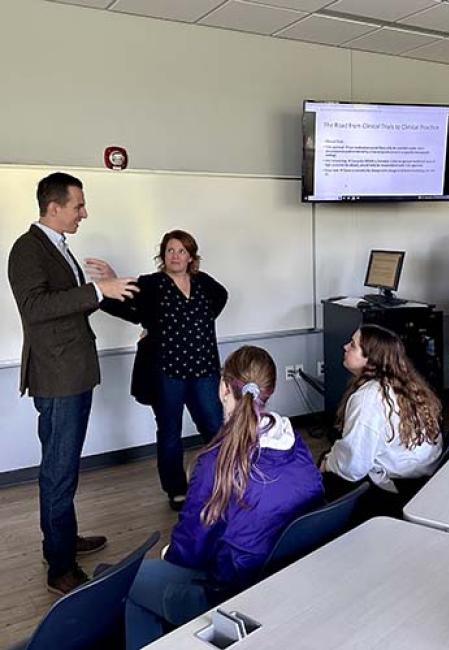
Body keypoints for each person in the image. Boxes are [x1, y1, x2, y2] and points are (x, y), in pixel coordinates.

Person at [124, 345, 324, 649]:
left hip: (230, 596)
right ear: (269, 391)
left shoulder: (215, 462)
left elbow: (189, 552)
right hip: (283, 580)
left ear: (222, 388)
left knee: (127, 582)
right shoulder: (294, 442)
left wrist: (169, 556)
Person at [7, 172, 139, 595]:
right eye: (79, 205)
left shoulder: (58, 247)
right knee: (59, 471)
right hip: (58, 377)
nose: (85, 213)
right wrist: (96, 291)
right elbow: (35, 307)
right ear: (54, 207)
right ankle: (60, 566)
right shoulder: (27, 249)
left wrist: (104, 289)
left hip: (73, 372)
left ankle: (62, 540)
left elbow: (65, 303)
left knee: (65, 467)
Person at [94, 230, 228, 510]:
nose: (175, 256)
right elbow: (126, 304)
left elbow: (221, 298)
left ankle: (223, 480)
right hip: (167, 373)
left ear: (191, 256)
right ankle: (176, 490)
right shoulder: (152, 284)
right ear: (163, 255)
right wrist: (109, 280)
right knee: (169, 432)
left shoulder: (204, 283)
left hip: (204, 369)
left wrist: (196, 326)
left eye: (181, 251)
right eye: (170, 250)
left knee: (215, 428)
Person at [320, 324, 442, 515]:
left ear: (370, 360)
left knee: (326, 471)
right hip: (423, 475)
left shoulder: (368, 398)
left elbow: (353, 467)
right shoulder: (407, 384)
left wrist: (326, 463)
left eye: (352, 345)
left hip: (400, 490)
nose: (345, 347)